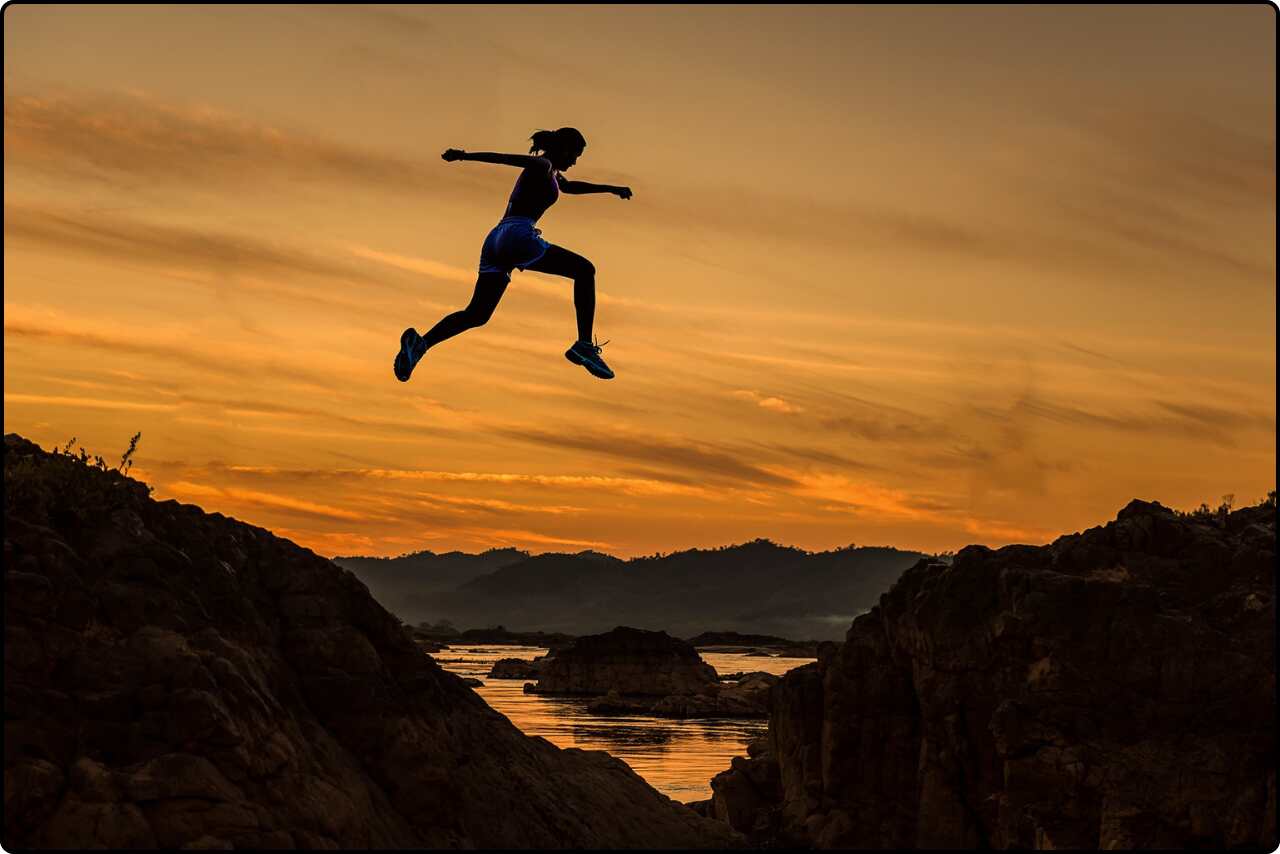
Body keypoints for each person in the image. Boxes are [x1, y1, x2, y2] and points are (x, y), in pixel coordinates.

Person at [394, 127, 632, 383]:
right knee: (584, 270)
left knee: (477, 314)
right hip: (518, 234)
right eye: (575, 154)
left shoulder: (552, 173)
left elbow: (570, 187)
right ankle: (584, 344)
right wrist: (464, 156)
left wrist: (610, 188)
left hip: (496, 239)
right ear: (562, 148)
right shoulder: (543, 164)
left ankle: (421, 344)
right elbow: (505, 158)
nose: (575, 161)